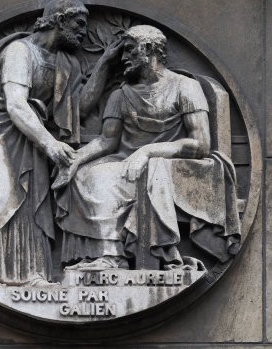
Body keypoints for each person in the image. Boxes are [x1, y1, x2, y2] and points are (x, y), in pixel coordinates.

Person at [0, 0, 121, 286]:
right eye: (78, 24)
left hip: (32, 136)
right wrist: (51, 145)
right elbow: (16, 104)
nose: (83, 32)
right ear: (59, 20)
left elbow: (78, 108)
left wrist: (103, 65)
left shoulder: (66, 62)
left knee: (32, 205)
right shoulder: (20, 51)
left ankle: (32, 276)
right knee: (0, 199)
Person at [53, 25, 241, 271]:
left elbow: (201, 144)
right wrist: (75, 160)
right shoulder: (120, 96)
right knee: (84, 176)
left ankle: (161, 253)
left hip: (172, 166)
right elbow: (106, 141)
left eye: (130, 50)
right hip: (127, 162)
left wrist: (147, 152)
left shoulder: (185, 87)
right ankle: (110, 256)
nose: (124, 58)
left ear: (150, 49)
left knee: (153, 170)